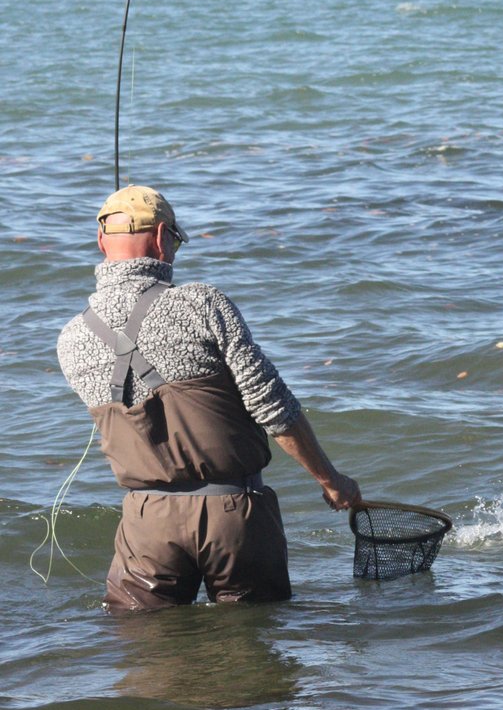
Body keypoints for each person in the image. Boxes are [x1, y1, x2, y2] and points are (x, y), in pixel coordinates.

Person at [57, 184, 361, 612]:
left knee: (145, 656)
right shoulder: (201, 303)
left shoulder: (71, 337)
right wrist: (331, 480)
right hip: (234, 514)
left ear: (101, 241)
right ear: (163, 238)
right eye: (176, 241)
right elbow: (272, 405)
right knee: (252, 652)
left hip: (144, 523)